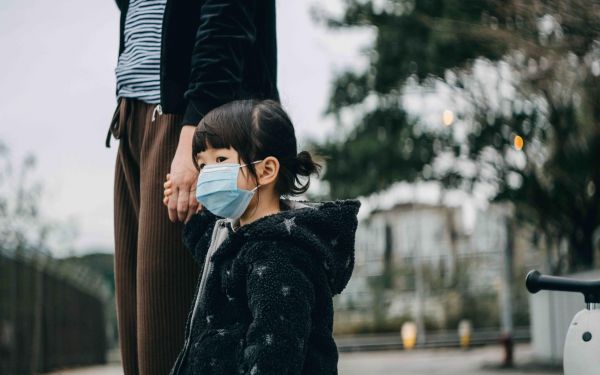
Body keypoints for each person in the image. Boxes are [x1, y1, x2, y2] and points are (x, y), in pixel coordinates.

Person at [106, 1, 278, 374]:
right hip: (132, 118)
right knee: (139, 347)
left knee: (168, 343)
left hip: (184, 120)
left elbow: (227, 15)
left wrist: (194, 135)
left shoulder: (192, 134)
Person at [162, 99, 360, 374]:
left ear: (266, 170)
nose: (207, 174)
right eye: (202, 165)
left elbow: (275, 354)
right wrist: (189, 209)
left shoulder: (280, 256)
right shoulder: (239, 235)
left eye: (220, 160)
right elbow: (207, 247)